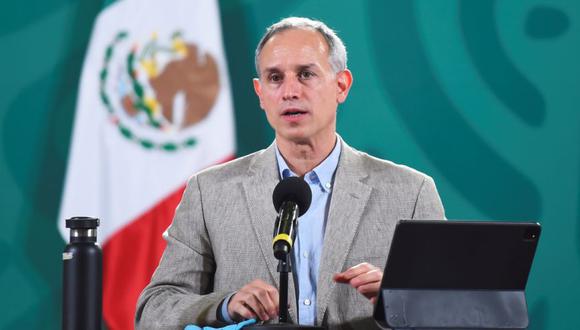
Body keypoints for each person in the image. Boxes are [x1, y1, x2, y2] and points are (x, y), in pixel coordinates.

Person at [135, 17, 445, 329]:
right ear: (259, 93)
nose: (289, 91)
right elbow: (154, 309)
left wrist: (401, 300)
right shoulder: (209, 192)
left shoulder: (411, 193)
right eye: (274, 78)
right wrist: (226, 306)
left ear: (341, 85)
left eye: (306, 74)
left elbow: (457, 310)